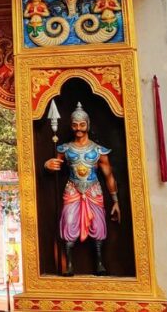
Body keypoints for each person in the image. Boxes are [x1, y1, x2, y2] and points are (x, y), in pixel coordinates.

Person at [43, 102, 121, 276]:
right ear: (71, 126)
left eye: (82, 125)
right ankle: (69, 264)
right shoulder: (65, 149)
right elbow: (55, 164)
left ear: (88, 125)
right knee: (68, 222)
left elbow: (109, 176)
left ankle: (100, 262)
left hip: (93, 189)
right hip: (72, 188)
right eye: (75, 125)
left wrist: (115, 201)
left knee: (98, 224)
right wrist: (48, 165)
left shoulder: (98, 151)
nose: (78, 128)